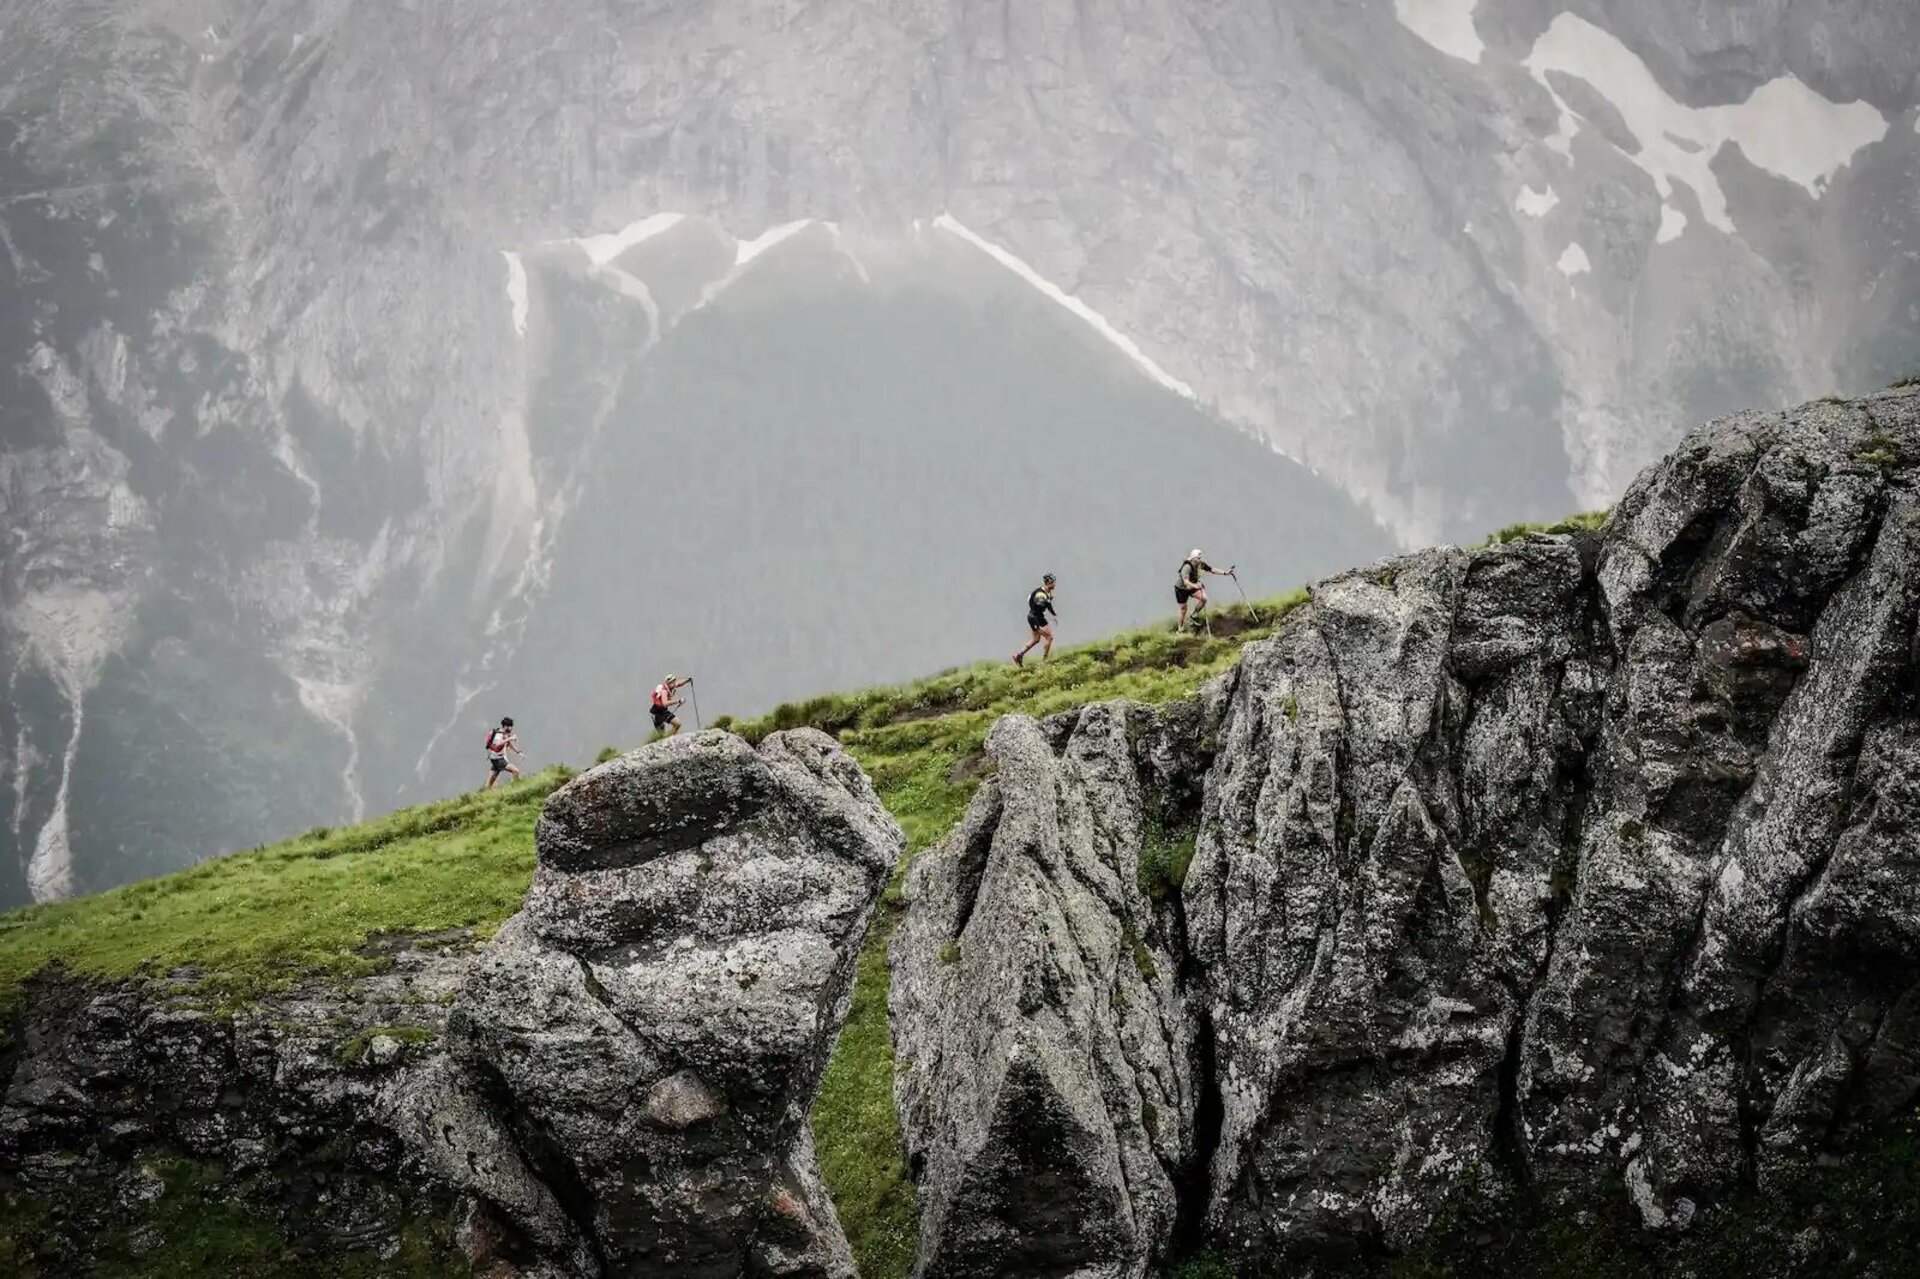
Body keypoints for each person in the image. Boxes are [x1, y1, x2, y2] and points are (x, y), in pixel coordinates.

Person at [1175, 549, 1234, 631]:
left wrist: (1225, 573)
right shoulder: (1187, 567)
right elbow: (1186, 582)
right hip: (1181, 589)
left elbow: (1211, 569)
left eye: (1200, 558)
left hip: (1194, 586)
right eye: (1198, 558)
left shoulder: (1200, 564)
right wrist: (1196, 586)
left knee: (1203, 598)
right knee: (1183, 609)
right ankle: (1180, 628)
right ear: (1193, 558)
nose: (1200, 560)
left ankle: (1193, 616)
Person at [1014, 573, 1058, 666]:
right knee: (1049, 637)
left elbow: (1032, 600)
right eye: (1053, 582)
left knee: (1036, 639)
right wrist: (1051, 611)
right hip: (1034, 618)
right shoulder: (1040, 594)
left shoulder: (1047, 592)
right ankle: (1045, 660)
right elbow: (1042, 603)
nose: (1055, 584)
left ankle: (1019, 655)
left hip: (1039, 617)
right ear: (1049, 582)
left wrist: (1053, 614)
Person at [483, 717, 523, 788]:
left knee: (490, 781)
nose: (511, 728)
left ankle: (485, 794)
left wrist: (518, 752)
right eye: (509, 726)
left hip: (495, 759)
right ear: (505, 726)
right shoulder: (499, 734)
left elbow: (509, 744)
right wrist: (510, 738)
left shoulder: (505, 734)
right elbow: (498, 743)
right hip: (498, 759)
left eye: (511, 726)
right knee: (516, 771)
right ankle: (516, 787)